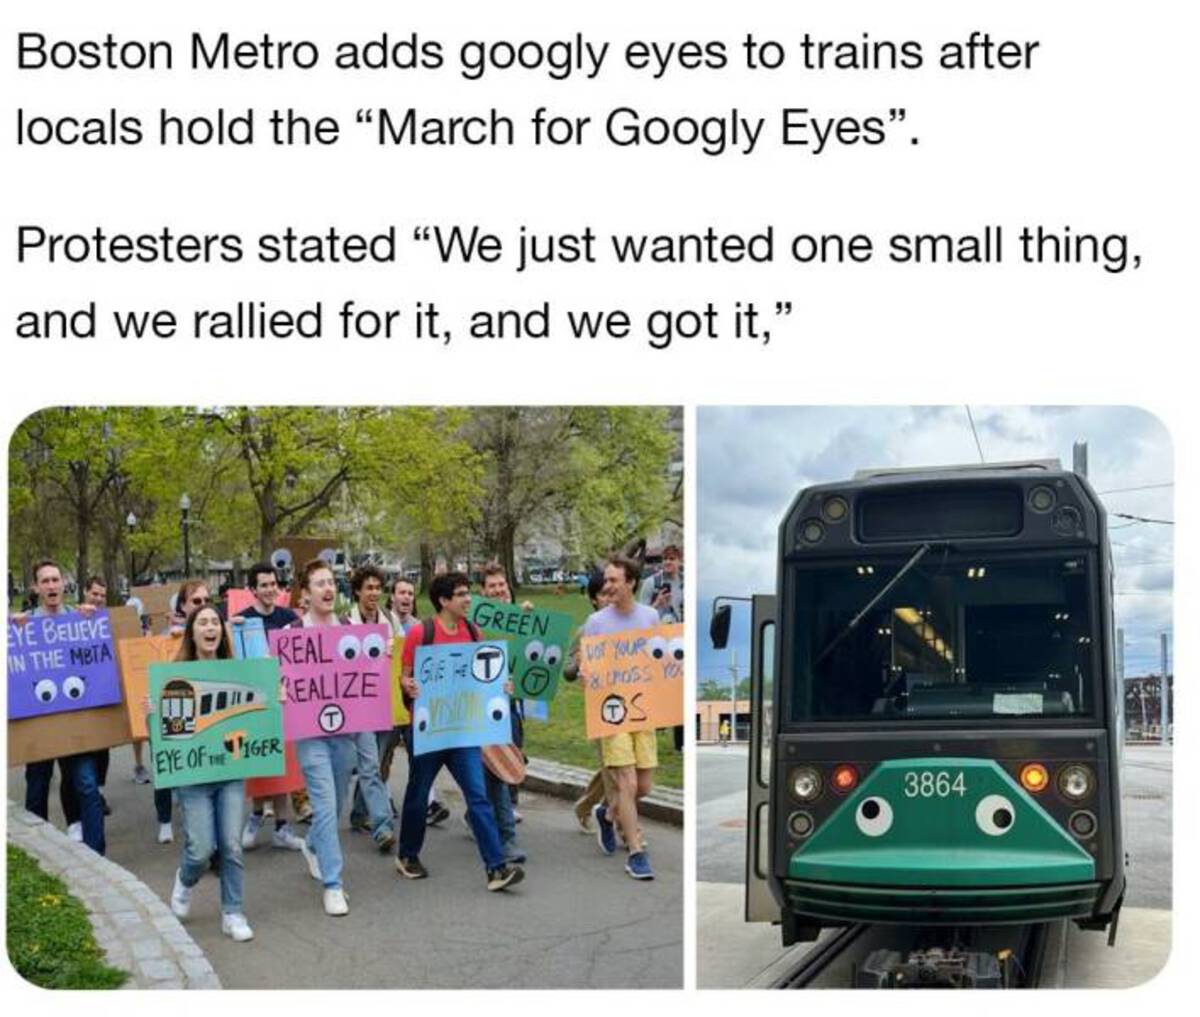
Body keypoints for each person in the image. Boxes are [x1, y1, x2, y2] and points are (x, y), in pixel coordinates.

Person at [394, 572, 525, 891]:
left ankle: (496, 868)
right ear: (444, 600)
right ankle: (408, 855)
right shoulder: (420, 633)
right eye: (462, 594)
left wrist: (501, 686)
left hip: (464, 731)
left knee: (478, 797)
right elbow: (405, 675)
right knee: (417, 795)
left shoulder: (472, 630)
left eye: (468, 592)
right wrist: (407, 684)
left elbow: (484, 675)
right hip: (429, 731)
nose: (469, 599)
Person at [150, 605, 254, 942]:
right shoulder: (174, 675)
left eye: (215, 622)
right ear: (191, 632)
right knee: (200, 849)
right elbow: (164, 736)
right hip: (193, 779)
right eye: (203, 622)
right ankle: (185, 878)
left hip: (230, 774)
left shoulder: (239, 673)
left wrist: (275, 702)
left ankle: (233, 912)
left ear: (222, 632)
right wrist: (153, 715)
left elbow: (256, 718)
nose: (210, 628)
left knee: (231, 845)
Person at [14, 560, 106, 855]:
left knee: (87, 785)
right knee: (36, 791)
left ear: (63, 584)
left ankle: (97, 854)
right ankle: (41, 857)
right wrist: (12, 631)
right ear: (36, 588)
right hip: (38, 724)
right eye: (45, 581)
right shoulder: (23, 625)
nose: (52, 586)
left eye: (56, 580)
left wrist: (94, 620)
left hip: (74, 724)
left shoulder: (81, 617)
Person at [583, 556, 661, 880]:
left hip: (643, 708)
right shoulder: (597, 622)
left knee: (643, 786)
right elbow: (587, 663)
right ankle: (636, 852)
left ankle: (607, 812)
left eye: (615, 580)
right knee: (626, 783)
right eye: (607, 580)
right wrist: (588, 674)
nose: (608, 586)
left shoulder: (651, 616)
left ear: (631, 582)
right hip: (612, 711)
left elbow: (662, 659)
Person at [291, 559, 360, 916]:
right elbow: (278, 677)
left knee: (336, 804)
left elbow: (365, 675)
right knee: (324, 802)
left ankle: (314, 846)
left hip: (344, 732)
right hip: (310, 734)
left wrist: (380, 659)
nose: (328, 589)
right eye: (319, 583)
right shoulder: (293, 634)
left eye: (331, 582)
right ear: (305, 593)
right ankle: (333, 884)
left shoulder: (350, 629)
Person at [234, 563, 306, 852]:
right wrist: (232, 631)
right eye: (263, 585)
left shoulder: (289, 618)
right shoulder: (241, 620)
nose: (269, 589)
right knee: (257, 760)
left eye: (273, 584)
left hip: (283, 699)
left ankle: (282, 827)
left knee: (282, 763)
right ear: (252, 589)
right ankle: (254, 816)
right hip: (252, 702)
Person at [473, 562, 527, 863]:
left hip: (510, 705)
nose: (498, 590)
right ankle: (506, 837)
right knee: (497, 771)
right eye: (492, 586)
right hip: (482, 708)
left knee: (509, 760)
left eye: (501, 585)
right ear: (483, 591)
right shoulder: (473, 625)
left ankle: (476, 815)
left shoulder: (522, 619)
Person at [344, 565, 398, 851]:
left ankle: (358, 813)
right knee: (369, 764)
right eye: (369, 588)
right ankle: (382, 826)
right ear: (357, 591)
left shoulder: (389, 619)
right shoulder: (344, 623)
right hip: (358, 704)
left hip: (385, 701)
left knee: (374, 762)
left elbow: (400, 653)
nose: (374, 593)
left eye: (378, 587)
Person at [563, 570, 617, 833]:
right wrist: (580, 664)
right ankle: (621, 825)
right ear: (594, 600)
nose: (610, 598)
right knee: (613, 765)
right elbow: (567, 670)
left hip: (631, 702)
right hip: (600, 705)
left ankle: (587, 806)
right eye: (603, 594)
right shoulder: (587, 628)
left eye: (612, 592)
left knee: (622, 766)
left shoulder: (628, 623)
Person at [639, 544, 683, 624]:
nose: (667, 562)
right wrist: (657, 603)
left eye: (672, 559)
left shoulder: (684, 583)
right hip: (656, 631)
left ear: (680, 561)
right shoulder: (650, 583)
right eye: (665, 559)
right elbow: (641, 617)